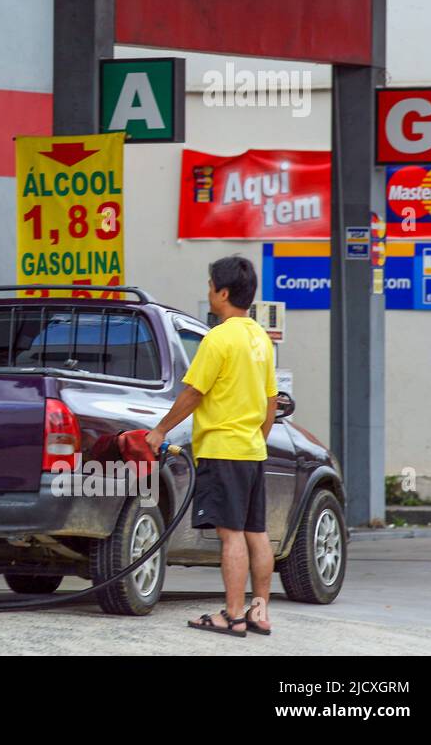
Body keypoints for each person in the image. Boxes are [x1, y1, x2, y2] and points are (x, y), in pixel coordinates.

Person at [147, 256, 278, 638]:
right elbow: (271, 402)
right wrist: (257, 439)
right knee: (257, 533)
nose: (208, 293)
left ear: (222, 293)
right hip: (252, 450)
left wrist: (159, 431)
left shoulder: (218, 338)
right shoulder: (260, 339)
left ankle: (233, 616)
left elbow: (193, 393)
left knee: (231, 535)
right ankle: (259, 612)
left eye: (210, 287)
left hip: (223, 449)